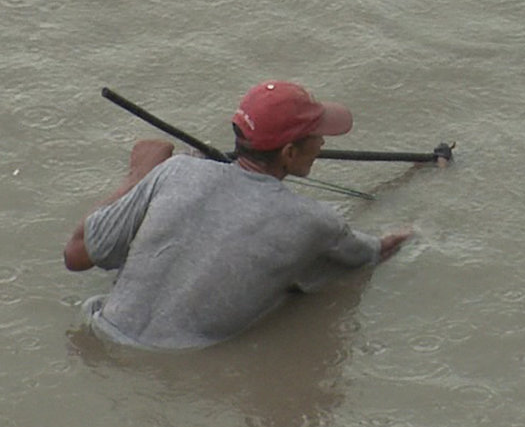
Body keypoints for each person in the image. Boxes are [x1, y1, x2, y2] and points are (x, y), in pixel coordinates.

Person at [64, 80, 413, 350]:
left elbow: (76, 254)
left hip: (100, 335)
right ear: (289, 153)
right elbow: (374, 254)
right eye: (317, 136)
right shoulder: (314, 221)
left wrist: (140, 174)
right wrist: (418, 229)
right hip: (185, 365)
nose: (322, 144)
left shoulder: (176, 171)